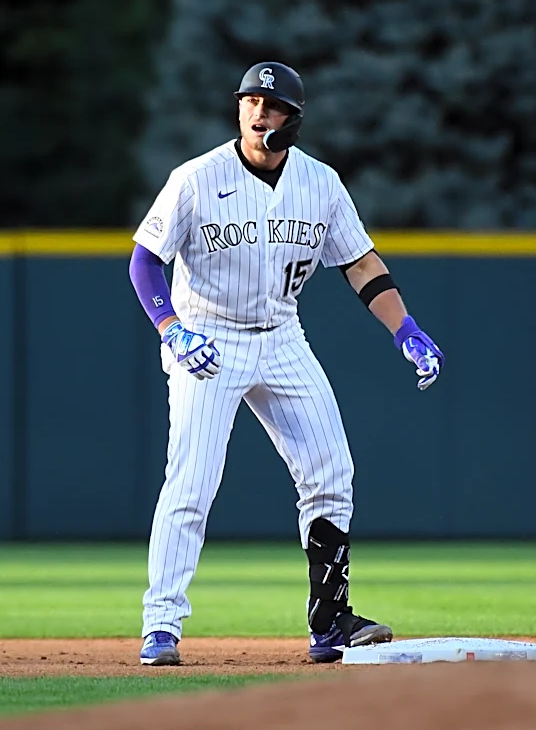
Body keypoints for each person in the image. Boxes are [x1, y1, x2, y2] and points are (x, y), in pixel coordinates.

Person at [128, 61, 445, 666]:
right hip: (208, 337)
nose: (257, 113)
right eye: (250, 101)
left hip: (282, 336)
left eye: (271, 106)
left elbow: (361, 264)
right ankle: (161, 626)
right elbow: (144, 262)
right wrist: (172, 330)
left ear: (292, 120)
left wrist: (404, 328)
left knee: (331, 473)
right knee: (192, 483)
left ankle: (330, 624)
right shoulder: (197, 178)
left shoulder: (320, 183)